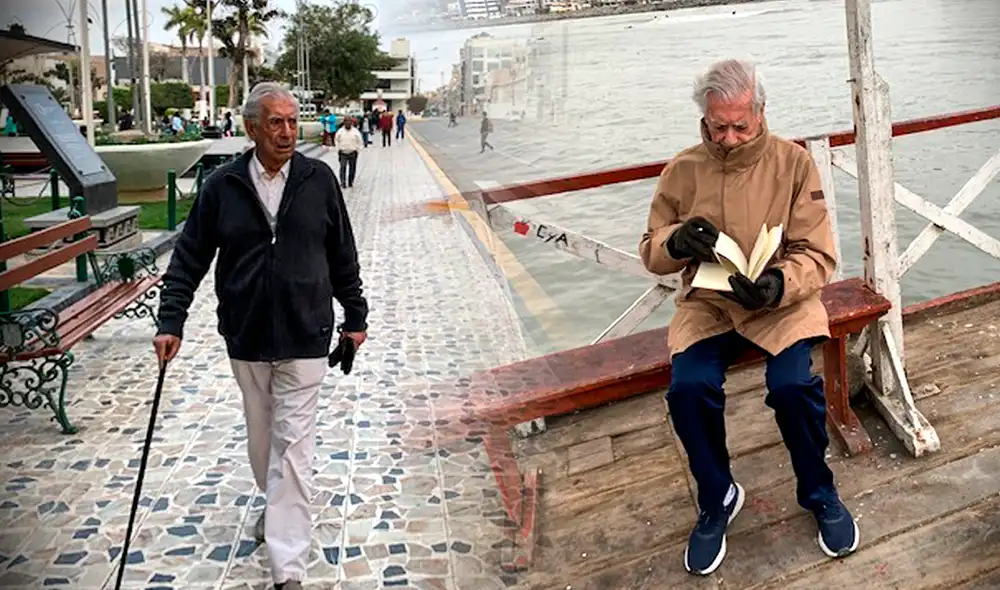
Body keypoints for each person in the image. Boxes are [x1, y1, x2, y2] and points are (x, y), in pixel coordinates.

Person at [638, 59, 855, 576]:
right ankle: (717, 497)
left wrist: (778, 283)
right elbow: (651, 250)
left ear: (761, 113)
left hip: (779, 303)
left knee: (793, 388)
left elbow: (818, 254)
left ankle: (818, 490)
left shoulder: (794, 163)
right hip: (710, 304)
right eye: (719, 126)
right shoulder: (682, 169)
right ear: (704, 119)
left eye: (741, 125)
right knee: (688, 391)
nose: (730, 137)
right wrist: (677, 241)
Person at [152, 82, 369, 590]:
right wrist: (171, 321)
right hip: (246, 334)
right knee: (263, 438)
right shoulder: (223, 187)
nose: (288, 132)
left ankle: (287, 567)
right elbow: (189, 258)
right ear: (251, 128)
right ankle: (277, 510)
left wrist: (354, 315)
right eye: (276, 122)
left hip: (306, 332)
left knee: (294, 450)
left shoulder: (318, 180)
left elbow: (343, 252)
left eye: (293, 122)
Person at [335, 117, 363, 189]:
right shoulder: (340, 131)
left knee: (352, 168)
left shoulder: (355, 132)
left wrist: (358, 150)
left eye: (349, 122)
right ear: (344, 123)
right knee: (343, 167)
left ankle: (350, 181)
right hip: (343, 152)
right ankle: (343, 182)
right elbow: (336, 140)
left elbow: (360, 142)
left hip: (352, 152)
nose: (348, 123)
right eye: (346, 122)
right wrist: (338, 149)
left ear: (351, 123)